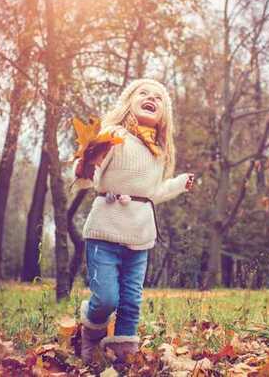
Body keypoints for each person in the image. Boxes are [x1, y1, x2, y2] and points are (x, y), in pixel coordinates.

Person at [71, 79, 194, 364]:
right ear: (129, 100)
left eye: (158, 98)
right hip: (105, 232)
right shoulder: (114, 135)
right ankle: (90, 333)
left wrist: (177, 184)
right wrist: (85, 165)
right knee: (106, 299)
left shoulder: (158, 151)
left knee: (131, 301)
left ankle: (124, 355)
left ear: (164, 115)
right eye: (144, 93)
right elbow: (92, 177)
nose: (151, 98)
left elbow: (152, 194)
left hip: (140, 237)